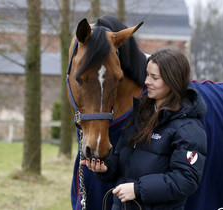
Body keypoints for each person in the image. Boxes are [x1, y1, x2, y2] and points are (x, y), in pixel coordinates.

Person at [81, 48, 207, 209]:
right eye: (147, 75)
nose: (147, 82)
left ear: (172, 80)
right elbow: (121, 158)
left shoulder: (189, 129)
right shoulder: (138, 114)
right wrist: (106, 168)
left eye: (154, 77)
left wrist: (138, 189)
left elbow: (186, 180)